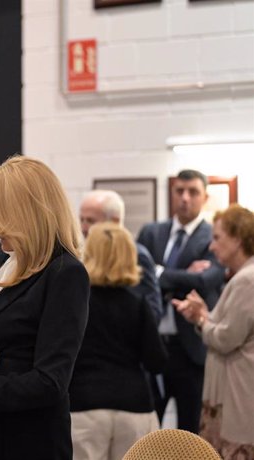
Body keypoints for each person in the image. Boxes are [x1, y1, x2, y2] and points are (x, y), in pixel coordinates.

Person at [0, 155, 90, 460]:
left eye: (1, 218)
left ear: (29, 214)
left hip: (26, 440)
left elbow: (49, 381)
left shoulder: (65, 273)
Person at [137, 169, 225, 433]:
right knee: (148, 431)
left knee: (190, 432)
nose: (185, 198)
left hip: (191, 351)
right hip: (153, 346)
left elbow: (206, 280)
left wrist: (160, 271)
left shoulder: (213, 237)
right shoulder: (152, 232)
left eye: (193, 192)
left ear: (205, 197)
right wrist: (184, 274)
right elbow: (137, 276)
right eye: (179, 191)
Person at [70, 222, 167, 460]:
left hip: (84, 404)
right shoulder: (139, 303)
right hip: (133, 405)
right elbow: (157, 361)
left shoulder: (74, 303)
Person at [173, 204, 254, 458]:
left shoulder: (246, 280)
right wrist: (205, 316)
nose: (212, 246)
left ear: (238, 239)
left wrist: (200, 319)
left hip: (238, 392)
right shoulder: (242, 277)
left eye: (217, 238)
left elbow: (226, 338)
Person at [79, 189, 162, 320]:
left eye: (90, 221)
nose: (83, 228)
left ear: (114, 221)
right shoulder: (84, 254)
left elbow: (152, 312)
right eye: (81, 220)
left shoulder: (136, 255)